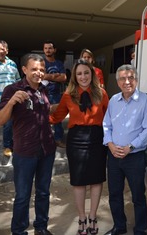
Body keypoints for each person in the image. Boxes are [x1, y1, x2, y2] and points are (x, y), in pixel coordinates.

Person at [0, 53, 56, 235]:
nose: (39, 73)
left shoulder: (43, 90)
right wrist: (12, 102)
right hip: (25, 152)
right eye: (34, 69)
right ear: (24, 70)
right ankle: (19, 231)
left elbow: (45, 114)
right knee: (22, 196)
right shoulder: (12, 89)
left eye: (42, 69)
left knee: (43, 193)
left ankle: (41, 227)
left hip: (46, 149)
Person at [50, 59, 109, 235]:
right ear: (75, 77)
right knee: (79, 181)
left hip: (97, 139)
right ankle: (82, 217)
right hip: (76, 140)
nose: (83, 77)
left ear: (92, 74)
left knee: (97, 179)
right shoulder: (68, 95)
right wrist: (36, 119)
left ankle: (93, 216)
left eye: (86, 73)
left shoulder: (102, 93)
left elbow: (109, 118)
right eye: (79, 74)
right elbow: (57, 117)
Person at [102, 64, 147, 235]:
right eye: (123, 78)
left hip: (134, 157)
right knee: (115, 195)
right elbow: (106, 125)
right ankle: (119, 226)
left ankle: (140, 229)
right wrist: (110, 144)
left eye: (131, 78)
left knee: (138, 196)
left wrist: (130, 147)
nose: (127, 82)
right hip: (114, 156)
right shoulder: (113, 101)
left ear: (136, 80)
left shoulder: (145, 101)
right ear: (117, 82)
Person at [42, 40, 67, 148]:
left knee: (57, 118)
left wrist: (47, 76)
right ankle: (45, 140)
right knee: (42, 118)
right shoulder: (41, 63)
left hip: (56, 94)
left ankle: (58, 139)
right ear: (43, 50)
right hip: (43, 94)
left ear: (54, 50)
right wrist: (54, 76)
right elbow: (40, 76)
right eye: (46, 48)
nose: (48, 50)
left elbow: (64, 77)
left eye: (50, 48)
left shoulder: (59, 63)